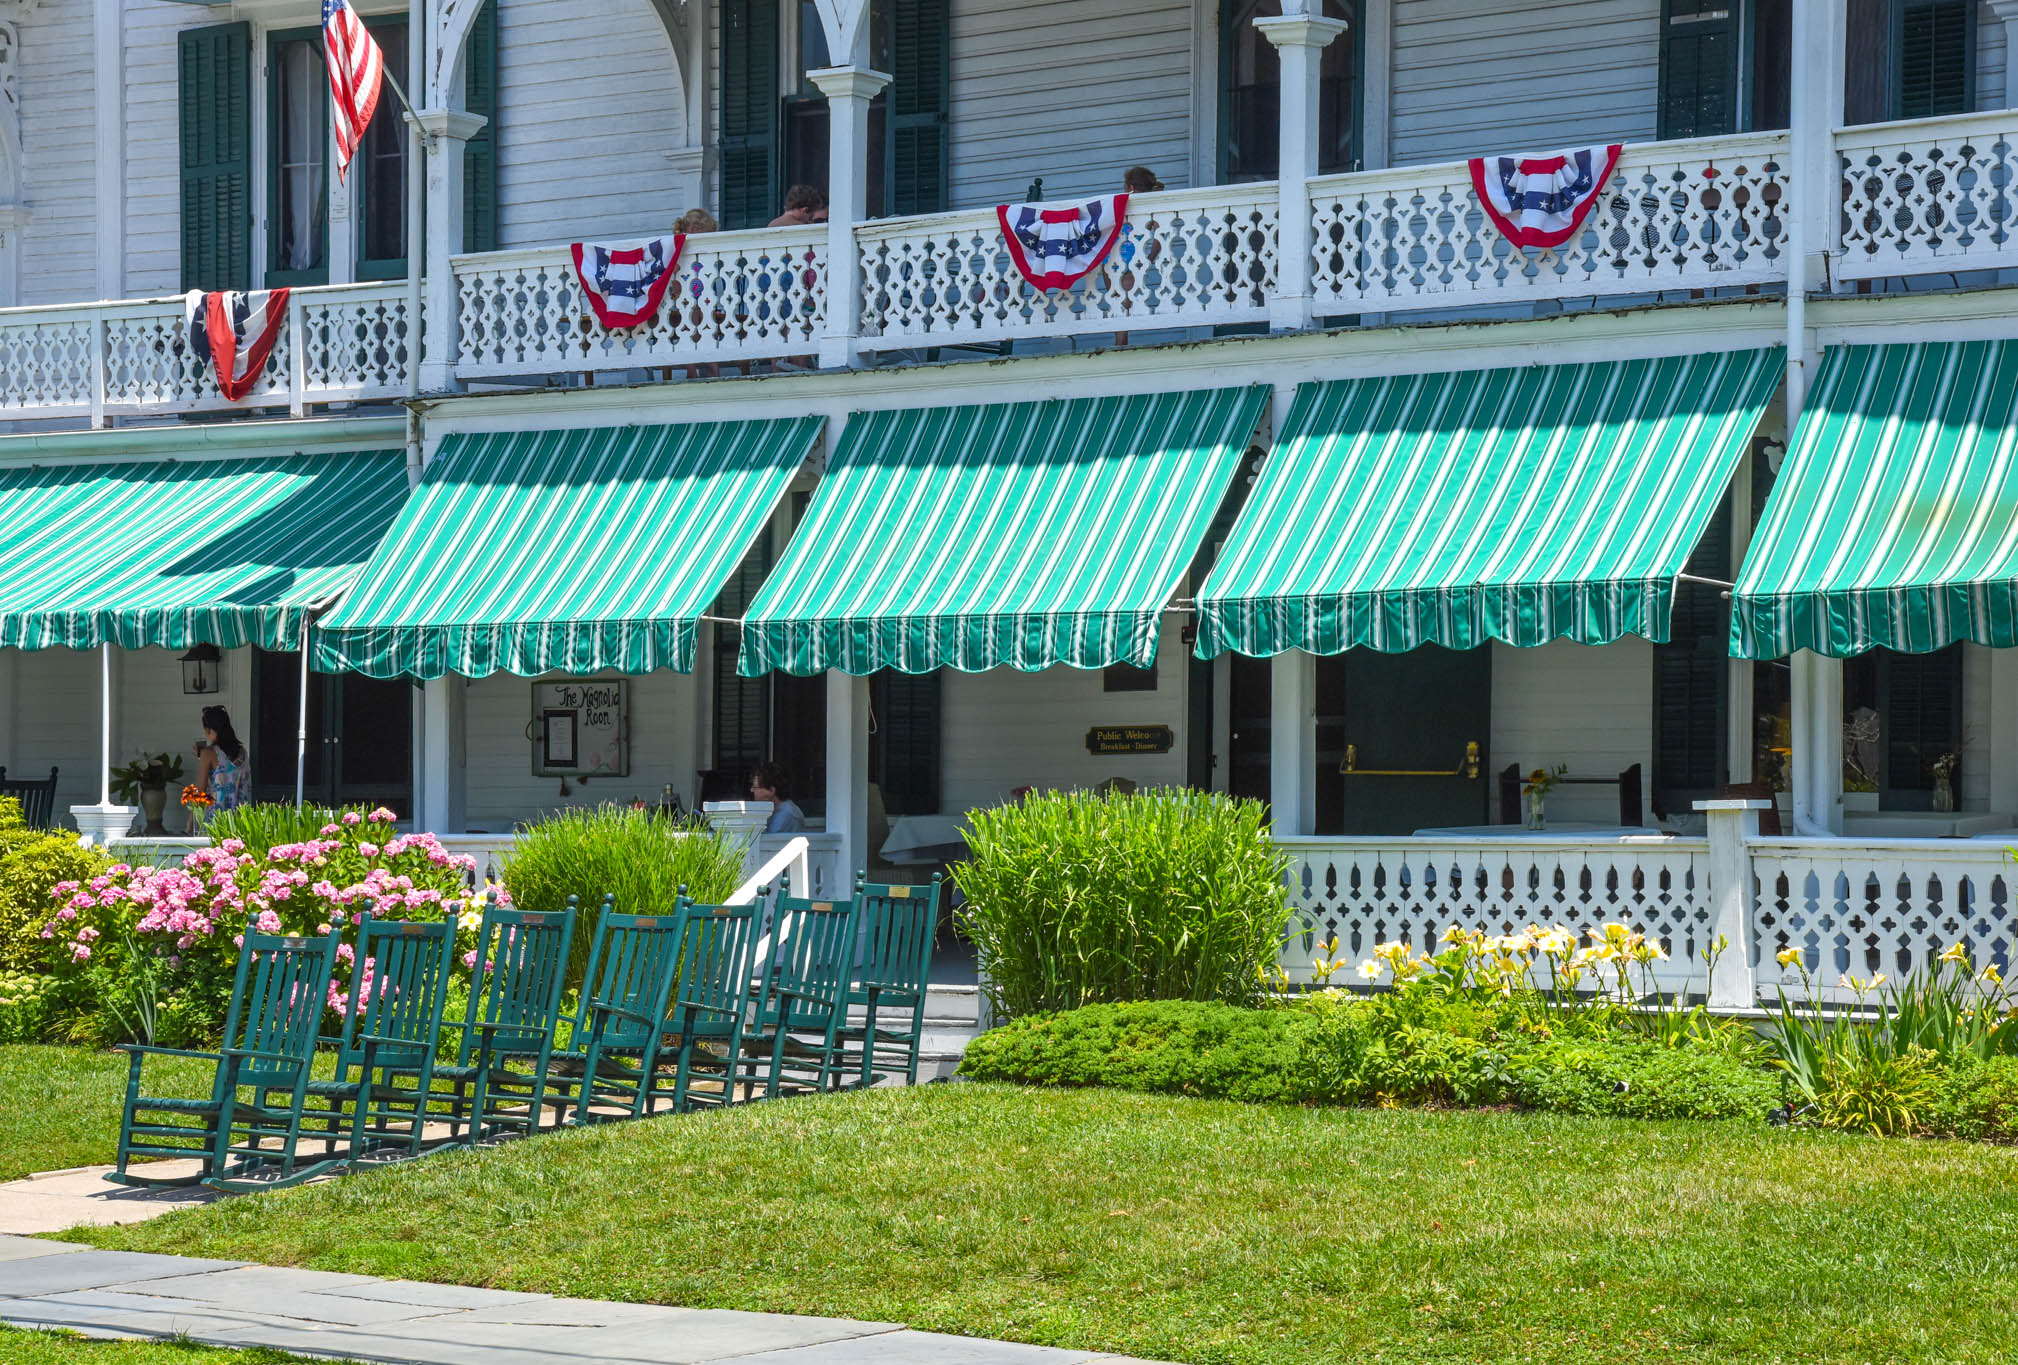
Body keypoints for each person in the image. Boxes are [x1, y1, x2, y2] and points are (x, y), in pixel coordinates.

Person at [192, 705, 250, 812]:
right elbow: (229, 772)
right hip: (241, 820)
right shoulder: (243, 752)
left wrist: (189, 825)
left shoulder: (208, 753)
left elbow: (200, 792)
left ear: (208, 730)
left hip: (217, 822)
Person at [750, 762, 805, 835]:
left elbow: (769, 843)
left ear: (771, 791)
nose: (751, 790)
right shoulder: (777, 811)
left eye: (755, 787)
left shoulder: (786, 815)